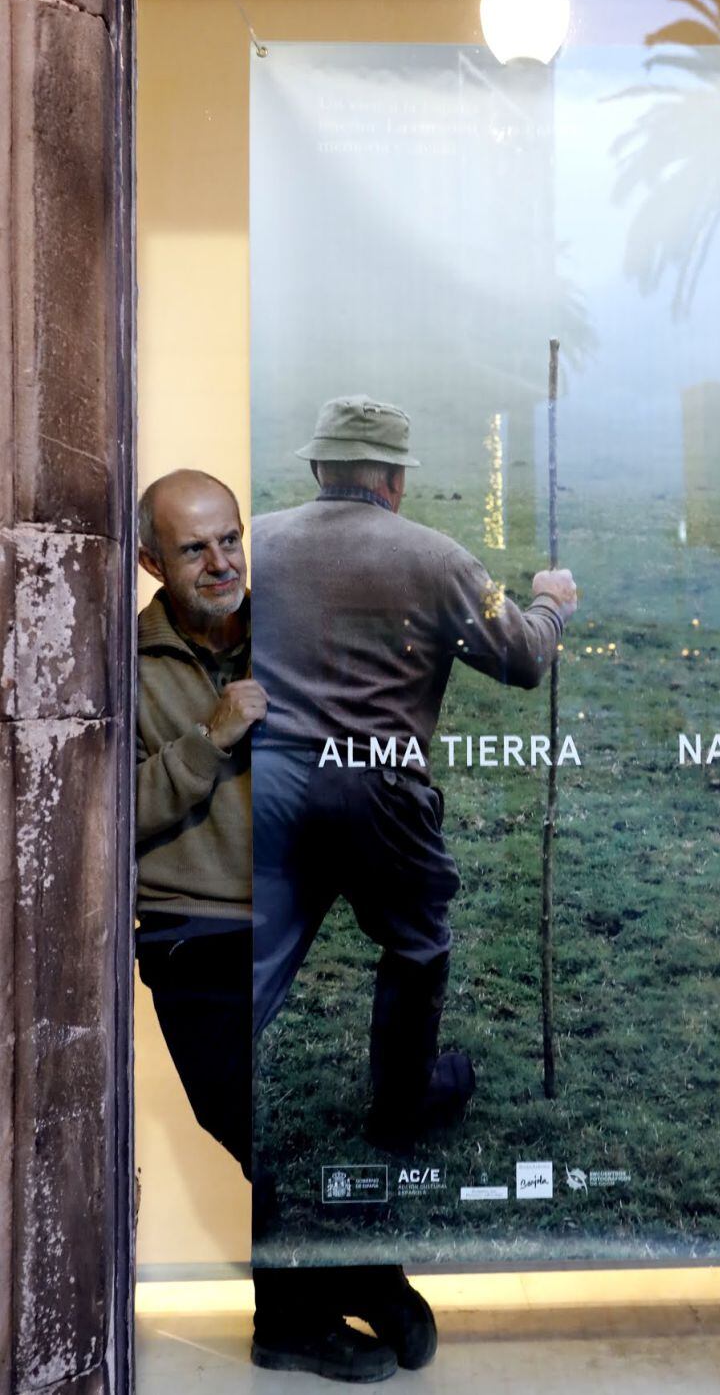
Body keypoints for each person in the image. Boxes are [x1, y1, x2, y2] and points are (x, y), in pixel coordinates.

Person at [135, 467, 435, 1384]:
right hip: (193, 934)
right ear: (151, 560)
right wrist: (211, 738)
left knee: (321, 1114)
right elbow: (108, 814)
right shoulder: (117, 660)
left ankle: (316, 1298)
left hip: (304, 921)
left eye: (230, 538)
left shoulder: (293, 635)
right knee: (268, 1128)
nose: (222, 561)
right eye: (194, 548)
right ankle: (339, 1289)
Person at [251, 395, 577, 1149]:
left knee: (257, 957)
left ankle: (214, 1105)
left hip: (268, 784)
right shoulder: (440, 560)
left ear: (316, 467)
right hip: (378, 790)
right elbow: (523, 655)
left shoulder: (258, 544)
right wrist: (551, 603)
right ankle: (404, 1102)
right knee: (417, 939)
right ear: (396, 479)